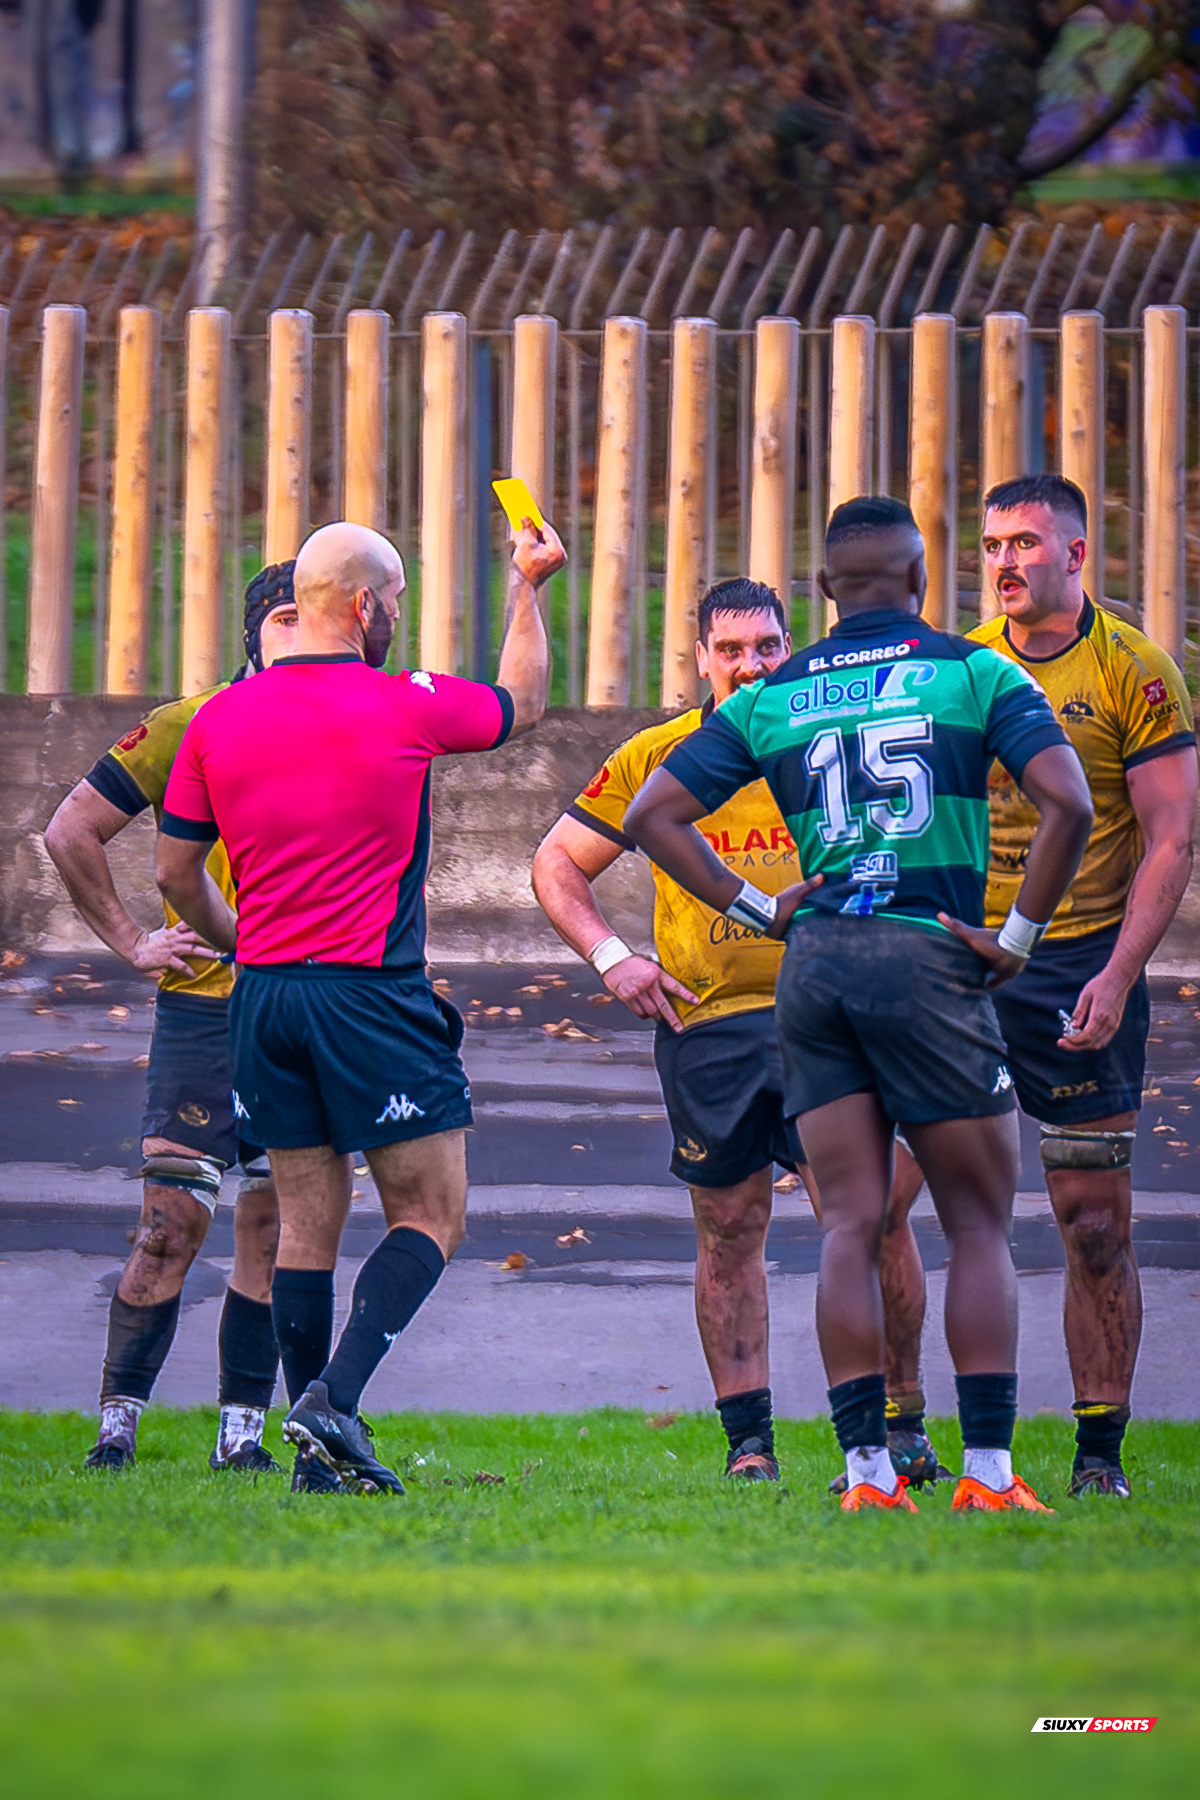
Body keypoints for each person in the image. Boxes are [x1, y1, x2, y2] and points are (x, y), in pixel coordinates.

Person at [624, 496, 1095, 1514]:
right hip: (929, 957)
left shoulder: (775, 693)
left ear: (825, 592)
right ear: (922, 580)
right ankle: (987, 1474)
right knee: (977, 1223)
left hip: (819, 964)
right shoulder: (975, 671)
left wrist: (761, 908)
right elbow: (1071, 802)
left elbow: (652, 815)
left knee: (846, 1223)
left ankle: (870, 1478)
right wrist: (1017, 939)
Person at [157, 516, 564, 1494]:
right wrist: (527, 589)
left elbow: (174, 873)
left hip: (263, 998)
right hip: (368, 995)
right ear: (366, 605)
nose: (396, 620)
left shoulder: (218, 717)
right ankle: (333, 1400)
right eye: (397, 604)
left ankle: (316, 1465)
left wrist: (241, 942)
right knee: (432, 1213)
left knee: (306, 1227)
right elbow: (523, 703)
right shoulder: (402, 701)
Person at [878, 473, 1197, 1499]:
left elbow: (1172, 838)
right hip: (962, 961)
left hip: (1077, 963)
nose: (1004, 562)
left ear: (1075, 553)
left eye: (1023, 542)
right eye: (990, 546)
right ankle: (900, 1433)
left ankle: (1099, 1457)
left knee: (1094, 1224)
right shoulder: (960, 668)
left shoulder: (1135, 672)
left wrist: (1118, 973)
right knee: (881, 1203)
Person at [533, 578, 821, 1482]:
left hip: (827, 1015)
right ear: (700, 658)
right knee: (729, 1231)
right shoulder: (660, 755)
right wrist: (612, 957)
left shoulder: (827, 740)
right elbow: (556, 863)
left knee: (866, 1219)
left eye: (767, 646)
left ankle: (893, 1435)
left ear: (790, 649)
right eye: (730, 650)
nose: (750, 666)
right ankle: (749, 1445)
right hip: (708, 1028)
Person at [44, 563, 303, 1474]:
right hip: (204, 1012)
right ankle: (115, 1434)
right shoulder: (189, 722)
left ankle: (242, 1442)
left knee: (272, 1229)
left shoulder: (355, 721)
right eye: (282, 616)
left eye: (312, 616)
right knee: (169, 1225)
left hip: (304, 1011)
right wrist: (131, 940)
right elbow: (71, 828)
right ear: (251, 633)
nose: (297, 632)